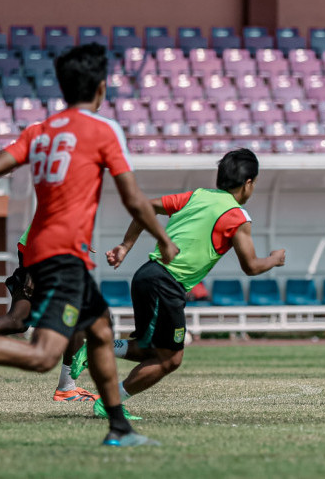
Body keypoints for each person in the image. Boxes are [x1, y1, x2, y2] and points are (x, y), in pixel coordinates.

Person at [0, 43, 179, 446]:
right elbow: (134, 199)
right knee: (43, 355)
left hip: (41, 249)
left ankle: (119, 429)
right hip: (65, 255)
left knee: (100, 332)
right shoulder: (103, 130)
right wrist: (162, 238)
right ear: (102, 89)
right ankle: (117, 427)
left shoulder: (39, 131)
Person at [79, 148, 285, 419]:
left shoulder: (196, 196)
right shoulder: (237, 216)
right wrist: (273, 259)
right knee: (170, 360)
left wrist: (126, 246)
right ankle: (109, 402)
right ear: (249, 183)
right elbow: (251, 266)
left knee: (151, 349)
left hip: (148, 276)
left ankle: (97, 348)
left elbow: (146, 206)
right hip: (165, 283)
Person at [0, 226, 98, 402]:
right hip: (42, 252)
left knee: (17, 320)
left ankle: (67, 388)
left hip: (40, 251)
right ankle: (67, 389)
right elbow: (50, 220)